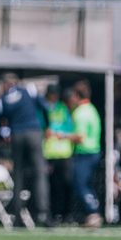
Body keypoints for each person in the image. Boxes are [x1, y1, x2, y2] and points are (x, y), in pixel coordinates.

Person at [0, 73, 50, 227]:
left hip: (17, 135)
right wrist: (48, 126)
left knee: (18, 175)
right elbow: (45, 107)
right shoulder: (29, 90)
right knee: (40, 174)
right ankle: (43, 214)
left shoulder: (2, 99)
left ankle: (18, 218)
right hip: (34, 133)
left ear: (6, 84)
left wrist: (0, 136)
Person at [67, 80, 103, 229]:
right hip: (94, 152)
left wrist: (62, 136)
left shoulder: (81, 113)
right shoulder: (92, 109)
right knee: (87, 185)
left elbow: (80, 137)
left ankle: (93, 213)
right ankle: (94, 212)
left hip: (85, 153)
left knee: (80, 184)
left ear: (76, 95)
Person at [43, 86, 76, 223]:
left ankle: (67, 213)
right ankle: (54, 214)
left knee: (67, 184)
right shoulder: (43, 107)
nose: (53, 96)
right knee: (53, 186)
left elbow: (70, 127)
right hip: (50, 153)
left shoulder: (63, 108)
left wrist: (61, 134)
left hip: (64, 152)